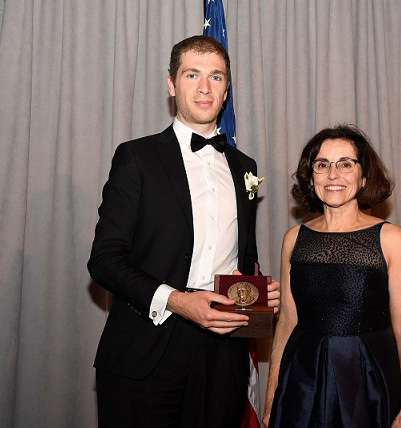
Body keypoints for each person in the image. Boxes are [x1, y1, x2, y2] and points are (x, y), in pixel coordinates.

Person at [88, 35, 279, 428]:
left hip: (222, 359)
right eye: (192, 75)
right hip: (147, 348)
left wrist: (258, 289)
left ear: (227, 90)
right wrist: (176, 300)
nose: (205, 88)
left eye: (216, 77)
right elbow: (105, 261)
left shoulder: (246, 166)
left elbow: (241, 257)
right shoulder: (136, 157)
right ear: (171, 84)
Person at [263, 125, 401, 427]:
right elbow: (286, 323)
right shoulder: (293, 239)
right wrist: (271, 399)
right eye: (322, 165)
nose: (333, 175)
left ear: (363, 177)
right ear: (311, 177)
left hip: (368, 379)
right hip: (302, 382)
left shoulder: (390, 238)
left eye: (345, 164)